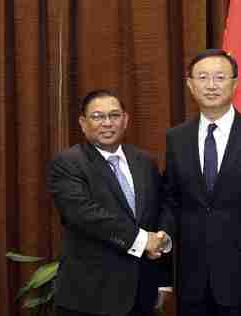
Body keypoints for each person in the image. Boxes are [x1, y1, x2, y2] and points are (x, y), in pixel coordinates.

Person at [163, 49, 241, 316]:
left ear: (234, 83)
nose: (211, 85)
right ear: (190, 84)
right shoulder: (176, 138)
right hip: (192, 278)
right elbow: (171, 202)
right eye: (203, 77)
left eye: (220, 77)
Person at [48, 89, 173, 316]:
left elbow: (159, 211)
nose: (107, 123)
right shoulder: (68, 163)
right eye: (97, 116)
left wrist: (162, 274)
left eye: (114, 115)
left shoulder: (144, 161)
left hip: (141, 295)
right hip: (90, 298)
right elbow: (84, 215)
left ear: (125, 120)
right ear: (83, 123)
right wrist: (143, 239)